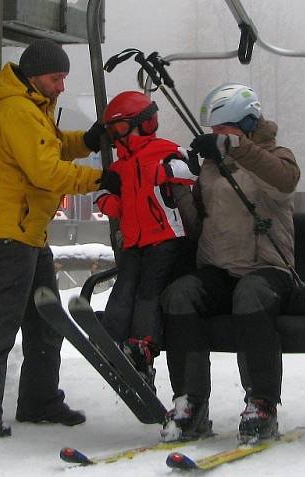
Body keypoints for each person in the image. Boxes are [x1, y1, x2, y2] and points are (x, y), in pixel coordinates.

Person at [0, 38, 116, 437]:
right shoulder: (15, 111)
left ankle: (40, 400)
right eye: (56, 78)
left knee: (45, 320)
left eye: (64, 78)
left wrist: (88, 141)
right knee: (3, 320)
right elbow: (46, 170)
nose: (61, 86)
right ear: (34, 76)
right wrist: (100, 178)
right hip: (11, 231)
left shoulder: (34, 108)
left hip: (30, 230)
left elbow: (56, 147)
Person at [159, 83, 301, 444]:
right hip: (219, 268)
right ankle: (190, 400)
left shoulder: (276, 156)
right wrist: (176, 188)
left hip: (266, 268)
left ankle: (261, 402)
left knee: (251, 295)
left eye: (225, 130)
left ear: (247, 126)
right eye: (215, 132)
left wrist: (235, 150)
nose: (217, 137)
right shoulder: (210, 167)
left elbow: (285, 183)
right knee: (180, 294)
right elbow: (198, 223)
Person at [94, 91, 199, 386]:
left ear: (145, 123)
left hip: (164, 238)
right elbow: (102, 196)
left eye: (122, 128)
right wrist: (110, 196)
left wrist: (165, 172)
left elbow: (191, 169)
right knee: (125, 287)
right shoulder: (119, 166)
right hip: (132, 241)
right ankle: (112, 339)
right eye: (112, 131)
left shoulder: (163, 150)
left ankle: (142, 348)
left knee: (148, 293)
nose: (117, 137)